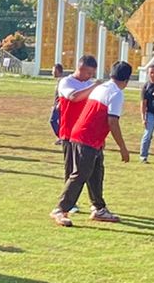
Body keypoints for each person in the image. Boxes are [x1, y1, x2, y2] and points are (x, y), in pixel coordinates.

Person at [51, 60, 130, 226]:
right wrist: (123, 148)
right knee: (80, 174)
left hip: (86, 136)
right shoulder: (116, 93)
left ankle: (99, 208)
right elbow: (112, 122)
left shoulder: (101, 87)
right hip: (86, 138)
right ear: (126, 81)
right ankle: (61, 209)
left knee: (96, 173)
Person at [54, 55, 97, 183]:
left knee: (87, 169)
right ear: (80, 68)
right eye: (88, 72)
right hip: (69, 132)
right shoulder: (66, 82)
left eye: (92, 73)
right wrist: (93, 87)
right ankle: (67, 202)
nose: (90, 76)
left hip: (85, 133)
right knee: (70, 169)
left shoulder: (89, 84)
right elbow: (73, 97)